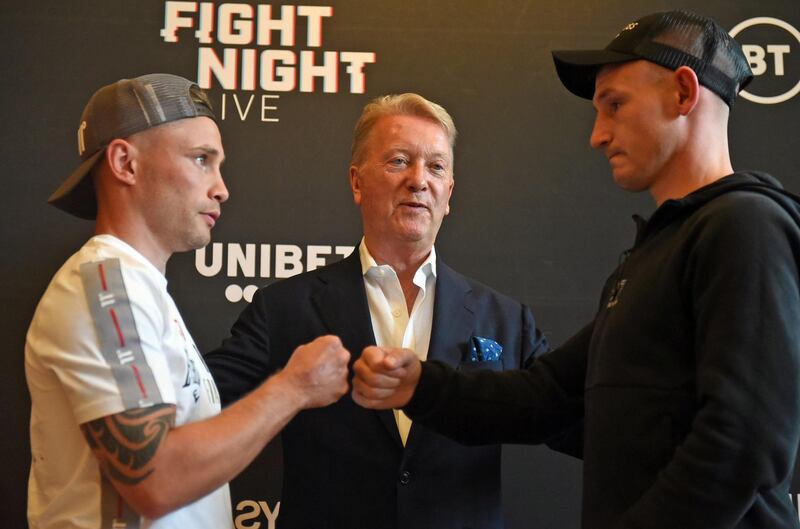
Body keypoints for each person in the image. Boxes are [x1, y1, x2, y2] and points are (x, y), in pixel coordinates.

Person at [352, 10, 800, 529]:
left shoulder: (746, 225)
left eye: (614, 105)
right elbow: (546, 397)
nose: (597, 135)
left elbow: (744, 443)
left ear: (683, 92)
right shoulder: (658, 250)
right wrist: (422, 386)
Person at [204, 93, 549, 529]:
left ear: (449, 195)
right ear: (356, 182)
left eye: (436, 166)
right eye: (399, 161)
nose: (419, 180)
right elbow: (201, 402)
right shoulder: (284, 310)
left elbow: (571, 418)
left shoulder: (506, 319)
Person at [25, 73, 350, 529]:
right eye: (201, 159)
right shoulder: (104, 285)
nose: (221, 188)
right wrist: (294, 387)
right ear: (125, 162)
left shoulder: (137, 289)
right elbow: (154, 479)